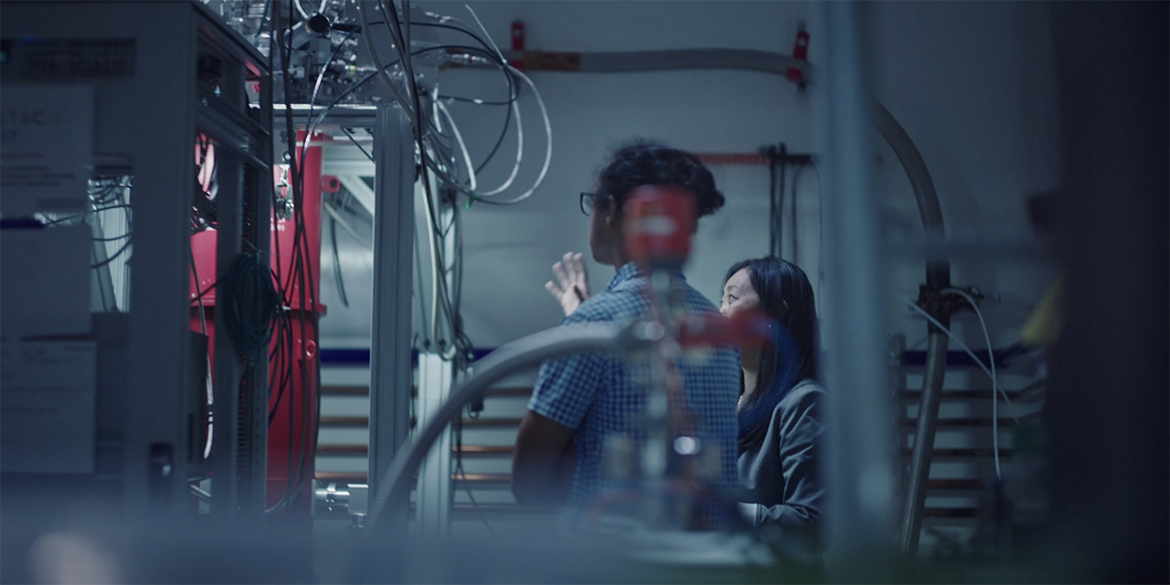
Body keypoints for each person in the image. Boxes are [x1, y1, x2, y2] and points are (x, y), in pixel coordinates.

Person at [512, 140, 741, 526]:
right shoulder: (720, 332)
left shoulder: (591, 327)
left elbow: (529, 484)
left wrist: (581, 323)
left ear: (614, 209)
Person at [720, 256, 825, 556]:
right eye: (722, 300)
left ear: (776, 312)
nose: (720, 312)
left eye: (732, 299)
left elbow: (813, 522)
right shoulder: (731, 401)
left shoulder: (804, 403)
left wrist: (725, 513)